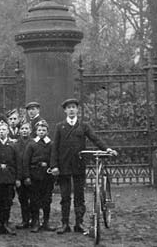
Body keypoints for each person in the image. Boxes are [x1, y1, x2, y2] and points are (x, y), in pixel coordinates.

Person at [51, 98, 117, 234]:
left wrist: (107, 149)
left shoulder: (83, 126)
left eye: (73, 107)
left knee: (79, 196)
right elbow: (54, 148)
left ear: (77, 110)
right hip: (63, 166)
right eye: (68, 107)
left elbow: (95, 138)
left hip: (78, 165)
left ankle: (79, 223)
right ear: (65, 110)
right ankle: (64, 224)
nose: (71, 110)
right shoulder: (60, 126)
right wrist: (54, 166)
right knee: (65, 196)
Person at [22, 120, 56, 233]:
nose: (41, 132)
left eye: (44, 130)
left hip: (47, 176)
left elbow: (53, 159)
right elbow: (26, 161)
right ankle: (35, 222)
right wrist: (26, 176)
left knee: (47, 199)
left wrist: (53, 172)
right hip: (34, 176)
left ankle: (46, 222)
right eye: (39, 130)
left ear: (47, 131)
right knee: (34, 199)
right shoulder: (31, 144)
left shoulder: (51, 144)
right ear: (36, 131)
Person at [14, 121, 33, 229]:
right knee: (23, 199)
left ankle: (34, 219)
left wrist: (29, 176)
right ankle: (25, 220)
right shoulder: (16, 145)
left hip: (32, 176)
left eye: (26, 128)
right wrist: (18, 177)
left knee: (34, 199)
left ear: (30, 130)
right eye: (22, 129)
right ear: (19, 131)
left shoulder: (34, 143)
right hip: (20, 176)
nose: (24, 131)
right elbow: (16, 161)